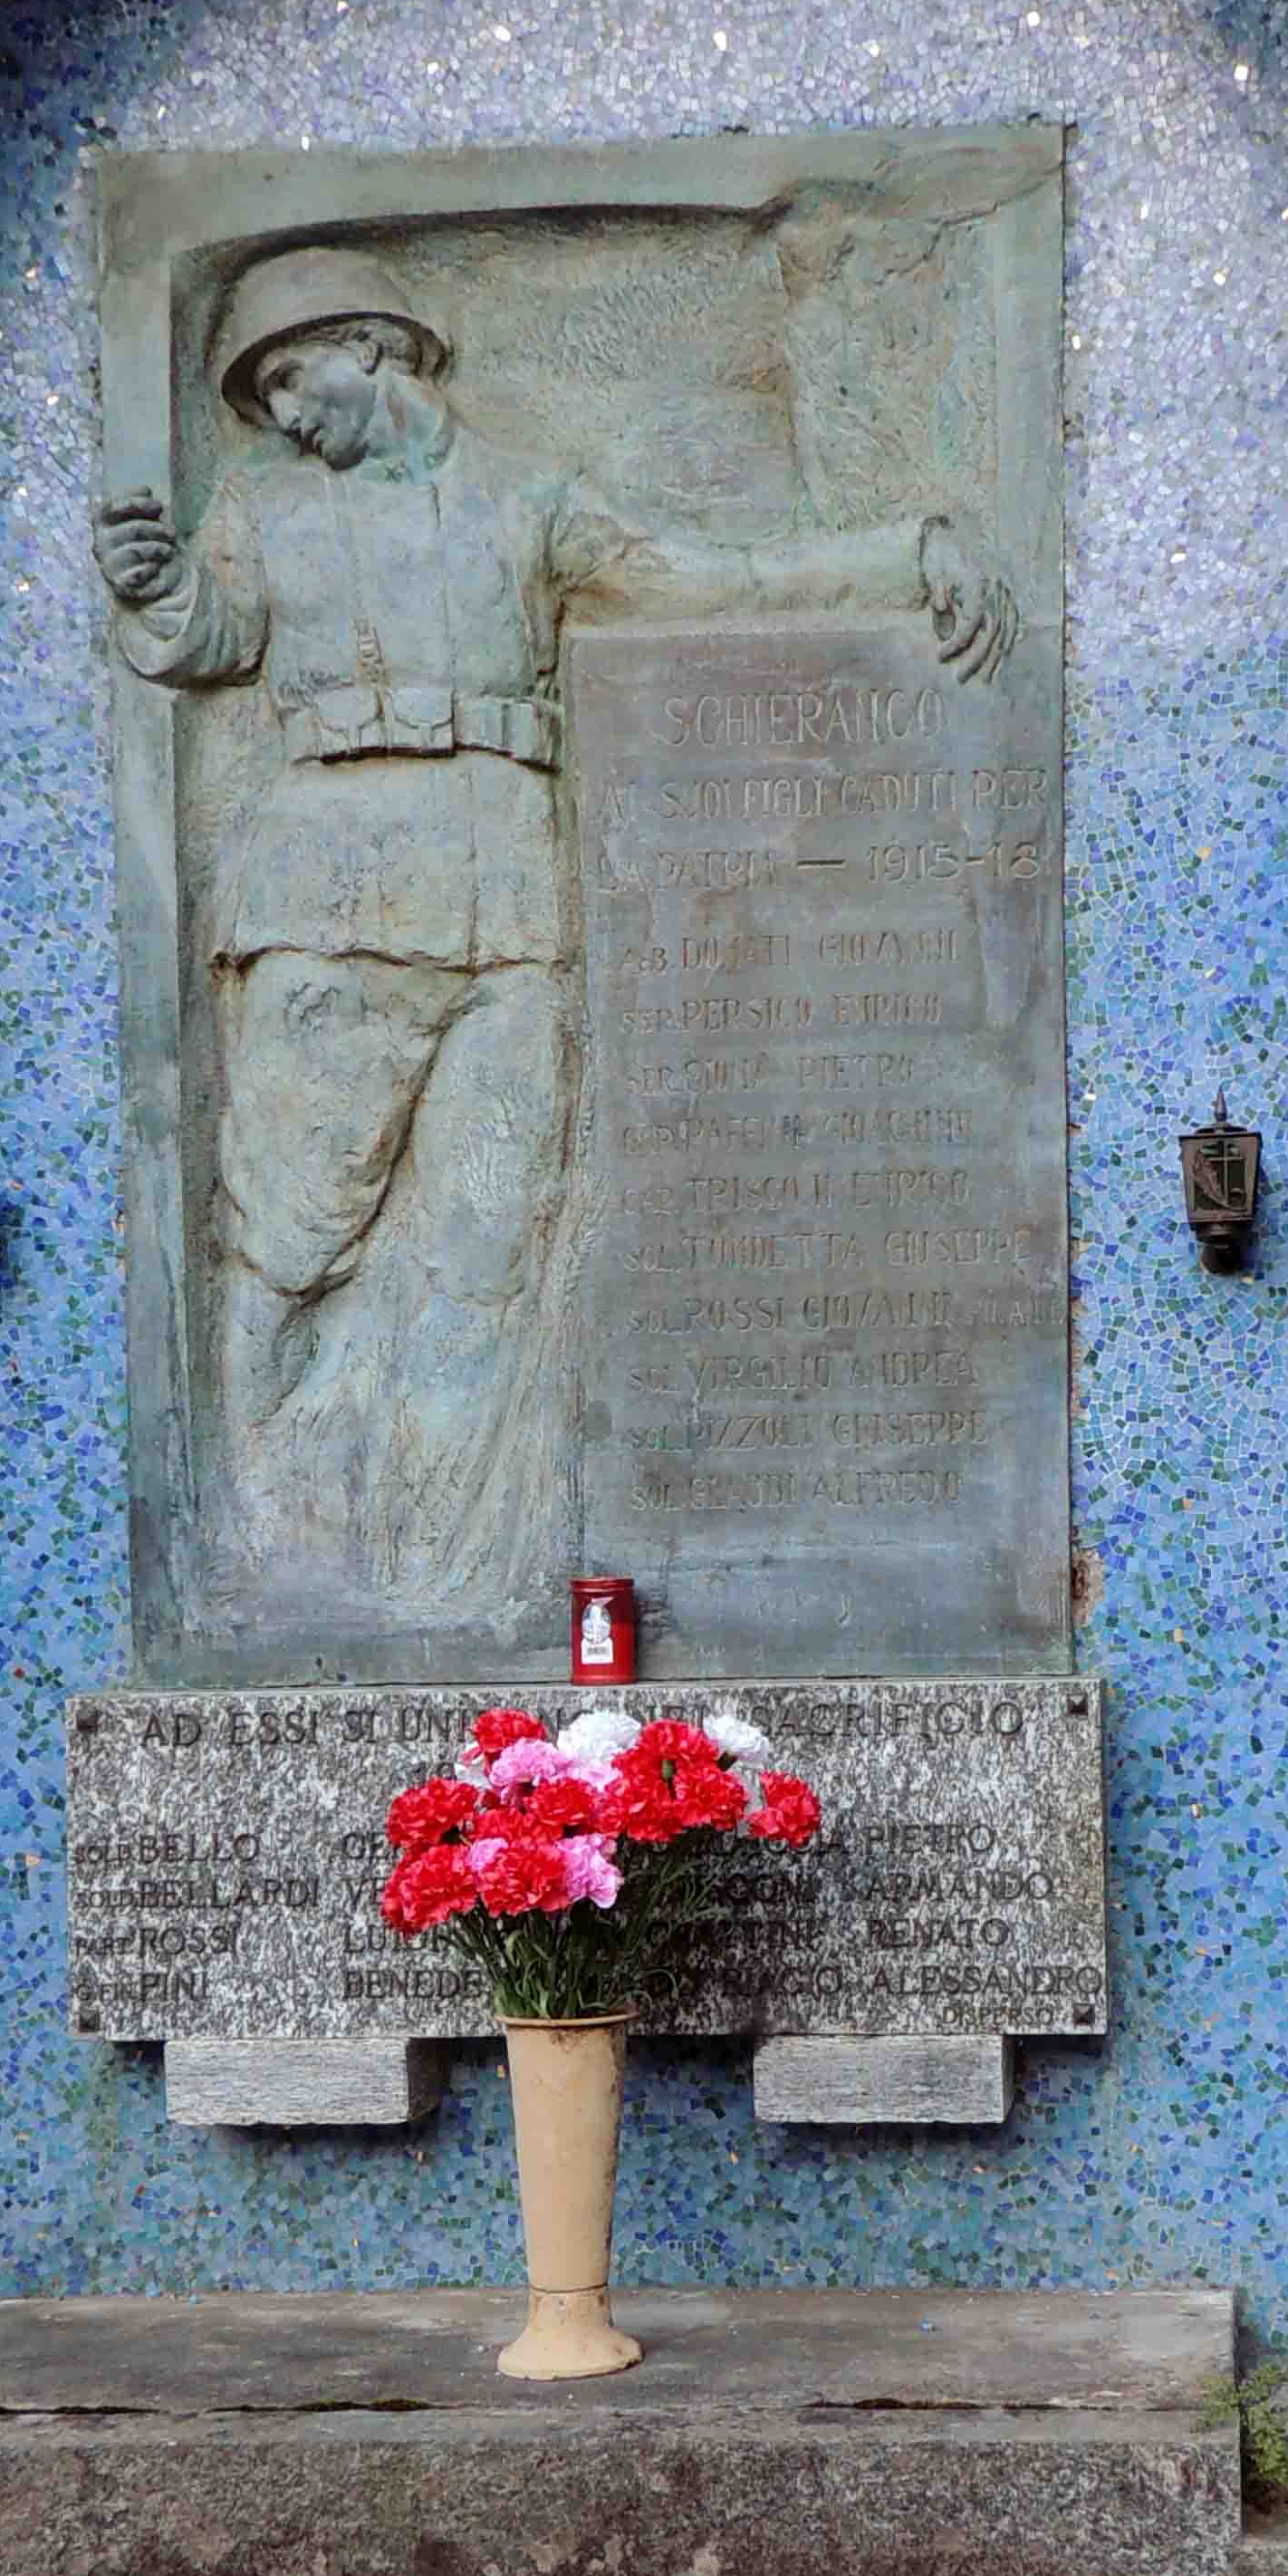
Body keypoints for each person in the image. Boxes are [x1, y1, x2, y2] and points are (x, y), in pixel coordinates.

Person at [96, 241, 1017, 1622]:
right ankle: (262, 1553)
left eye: (295, 376)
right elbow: (204, 640)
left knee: (492, 1245)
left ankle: (450, 1583)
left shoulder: (530, 504)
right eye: (265, 392)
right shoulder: (265, 510)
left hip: (511, 908)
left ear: (379, 349)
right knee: (292, 1238)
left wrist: (906, 551)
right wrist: (152, 587)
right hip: (330, 898)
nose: (285, 413)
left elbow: (704, 582)